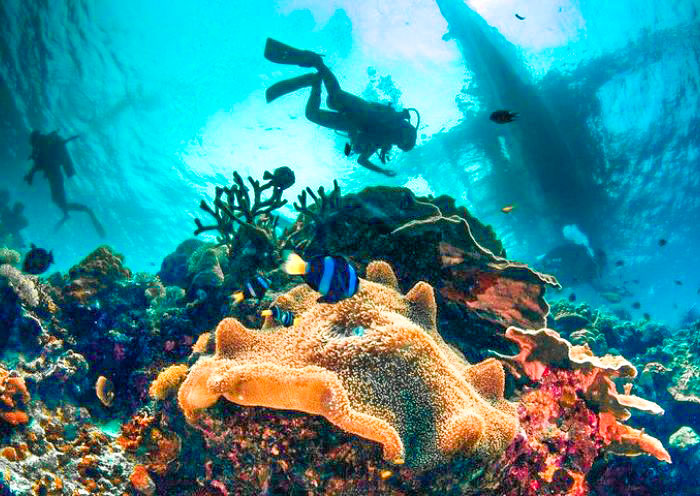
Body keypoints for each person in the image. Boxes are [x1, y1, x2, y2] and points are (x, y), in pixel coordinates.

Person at [264, 38, 419, 177]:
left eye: (399, 144)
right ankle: (317, 62)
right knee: (335, 96)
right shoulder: (392, 122)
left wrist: (382, 171)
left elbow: (361, 160)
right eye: (401, 141)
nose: (396, 143)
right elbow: (392, 117)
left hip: (348, 123)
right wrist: (399, 116)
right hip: (362, 111)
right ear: (404, 134)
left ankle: (314, 82)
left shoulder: (382, 141)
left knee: (312, 114)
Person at [25, 130, 105, 237]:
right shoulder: (46, 144)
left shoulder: (45, 144)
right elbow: (41, 163)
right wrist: (31, 174)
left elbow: (41, 163)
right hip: (54, 176)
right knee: (58, 201)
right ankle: (69, 213)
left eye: (33, 143)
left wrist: (31, 173)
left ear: (35, 139)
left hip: (55, 176)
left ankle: (86, 211)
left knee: (60, 201)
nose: (34, 146)